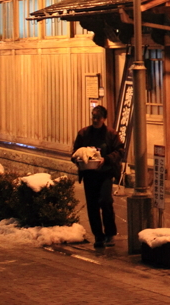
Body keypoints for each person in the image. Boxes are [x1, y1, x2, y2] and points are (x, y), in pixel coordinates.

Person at [72, 105, 123, 248]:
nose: (95, 120)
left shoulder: (111, 134)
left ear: (104, 119)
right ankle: (98, 236)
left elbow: (120, 151)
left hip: (105, 173)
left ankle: (110, 233)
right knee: (92, 205)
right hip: (89, 173)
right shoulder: (84, 133)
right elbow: (75, 152)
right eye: (93, 116)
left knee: (106, 201)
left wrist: (105, 159)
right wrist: (79, 160)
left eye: (98, 117)